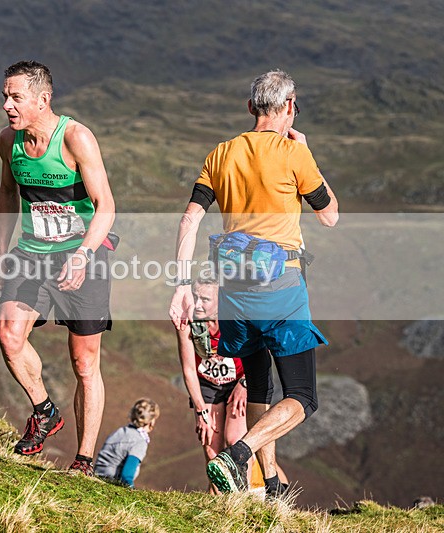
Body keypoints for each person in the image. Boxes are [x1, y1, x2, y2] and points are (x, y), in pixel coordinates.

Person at [168, 70, 338, 495]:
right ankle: (239, 456)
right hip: (281, 287)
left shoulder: (220, 154)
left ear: (250, 109)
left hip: (234, 291)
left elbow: (191, 218)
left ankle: (273, 483)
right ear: (289, 107)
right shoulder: (293, 154)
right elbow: (330, 214)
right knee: (303, 396)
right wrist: (308, 152)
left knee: (258, 382)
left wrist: (181, 285)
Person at [0, 60, 116, 476]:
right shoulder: (7, 141)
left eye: (16, 97)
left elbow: (106, 206)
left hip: (83, 252)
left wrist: (83, 254)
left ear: (43, 99)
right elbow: (8, 192)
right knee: (9, 336)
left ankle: (84, 460)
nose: (7, 105)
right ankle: (45, 410)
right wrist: (1, 251)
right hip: (31, 253)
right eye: (5, 96)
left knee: (84, 363)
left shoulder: (76, 138)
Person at [177, 277, 249, 494]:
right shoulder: (187, 321)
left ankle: (247, 499)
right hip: (206, 385)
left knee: (235, 441)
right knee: (211, 448)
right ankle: (220, 507)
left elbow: (261, 354)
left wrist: (245, 383)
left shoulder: (237, 318)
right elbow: (189, 370)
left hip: (240, 381)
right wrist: (200, 411)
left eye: (205, 299)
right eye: (195, 296)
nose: (198, 304)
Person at [95, 398, 159, 488]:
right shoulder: (140, 441)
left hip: (96, 475)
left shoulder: (120, 431)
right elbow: (126, 476)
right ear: (151, 421)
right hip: (111, 482)